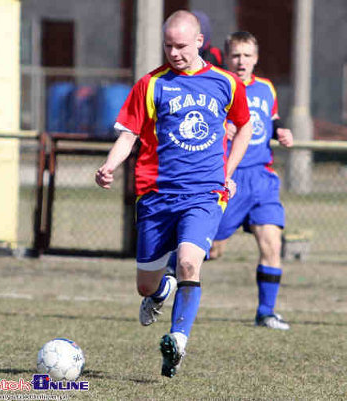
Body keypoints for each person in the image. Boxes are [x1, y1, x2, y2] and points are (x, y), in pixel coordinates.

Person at [95, 11, 252, 378]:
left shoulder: (226, 83)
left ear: (199, 42)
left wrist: (227, 173)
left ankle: (178, 340)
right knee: (144, 285)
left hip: (204, 194)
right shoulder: (151, 84)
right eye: (168, 45)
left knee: (188, 263)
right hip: (155, 196)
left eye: (181, 46)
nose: (174, 52)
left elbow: (244, 127)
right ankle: (160, 288)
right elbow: (129, 133)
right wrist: (110, 165)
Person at [209, 31, 294, 330]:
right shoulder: (218, 87)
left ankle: (266, 312)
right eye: (236, 55)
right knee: (212, 250)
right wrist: (221, 128)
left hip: (261, 178)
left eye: (247, 55)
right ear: (227, 57)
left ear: (256, 59)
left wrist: (280, 132)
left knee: (272, 243)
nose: (241, 61)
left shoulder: (266, 88)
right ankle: (172, 266)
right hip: (229, 179)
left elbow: (270, 120)